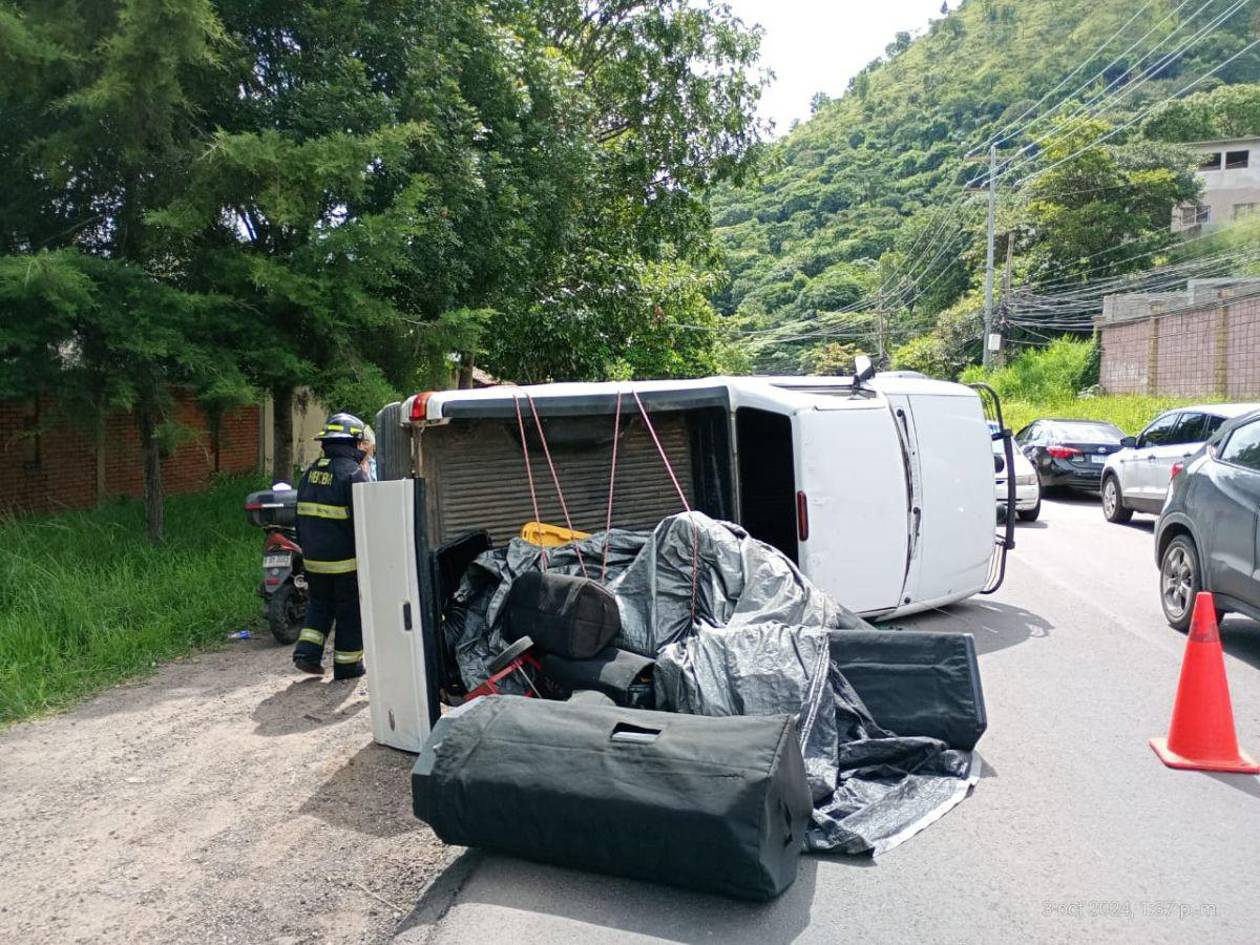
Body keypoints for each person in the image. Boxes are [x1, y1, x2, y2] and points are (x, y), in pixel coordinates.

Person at [291, 412, 370, 680]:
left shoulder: (310, 472)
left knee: (320, 605)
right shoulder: (353, 475)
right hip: (346, 562)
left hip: (313, 559)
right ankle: (348, 666)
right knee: (350, 611)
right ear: (351, 442)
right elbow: (365, 522)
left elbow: (299, 517)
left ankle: (307, 654)